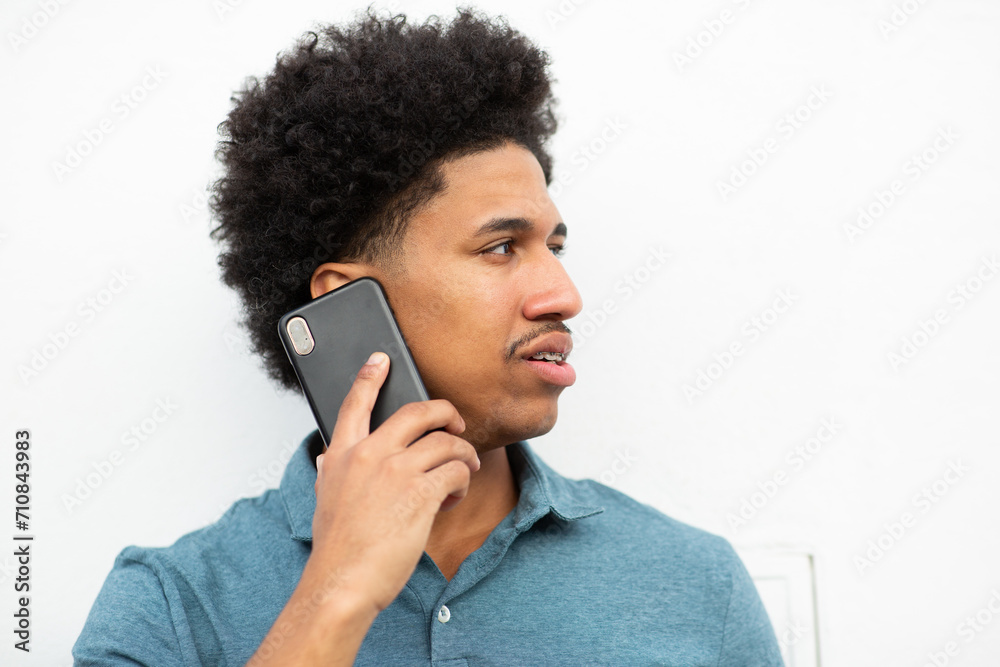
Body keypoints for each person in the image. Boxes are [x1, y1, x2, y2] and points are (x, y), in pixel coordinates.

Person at [73, 6, 784, 665]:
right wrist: (338, 592)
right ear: (343, 301)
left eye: (554, 247)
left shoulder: (697, 586)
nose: (563, 296)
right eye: (501, 247)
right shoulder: (169, 607)